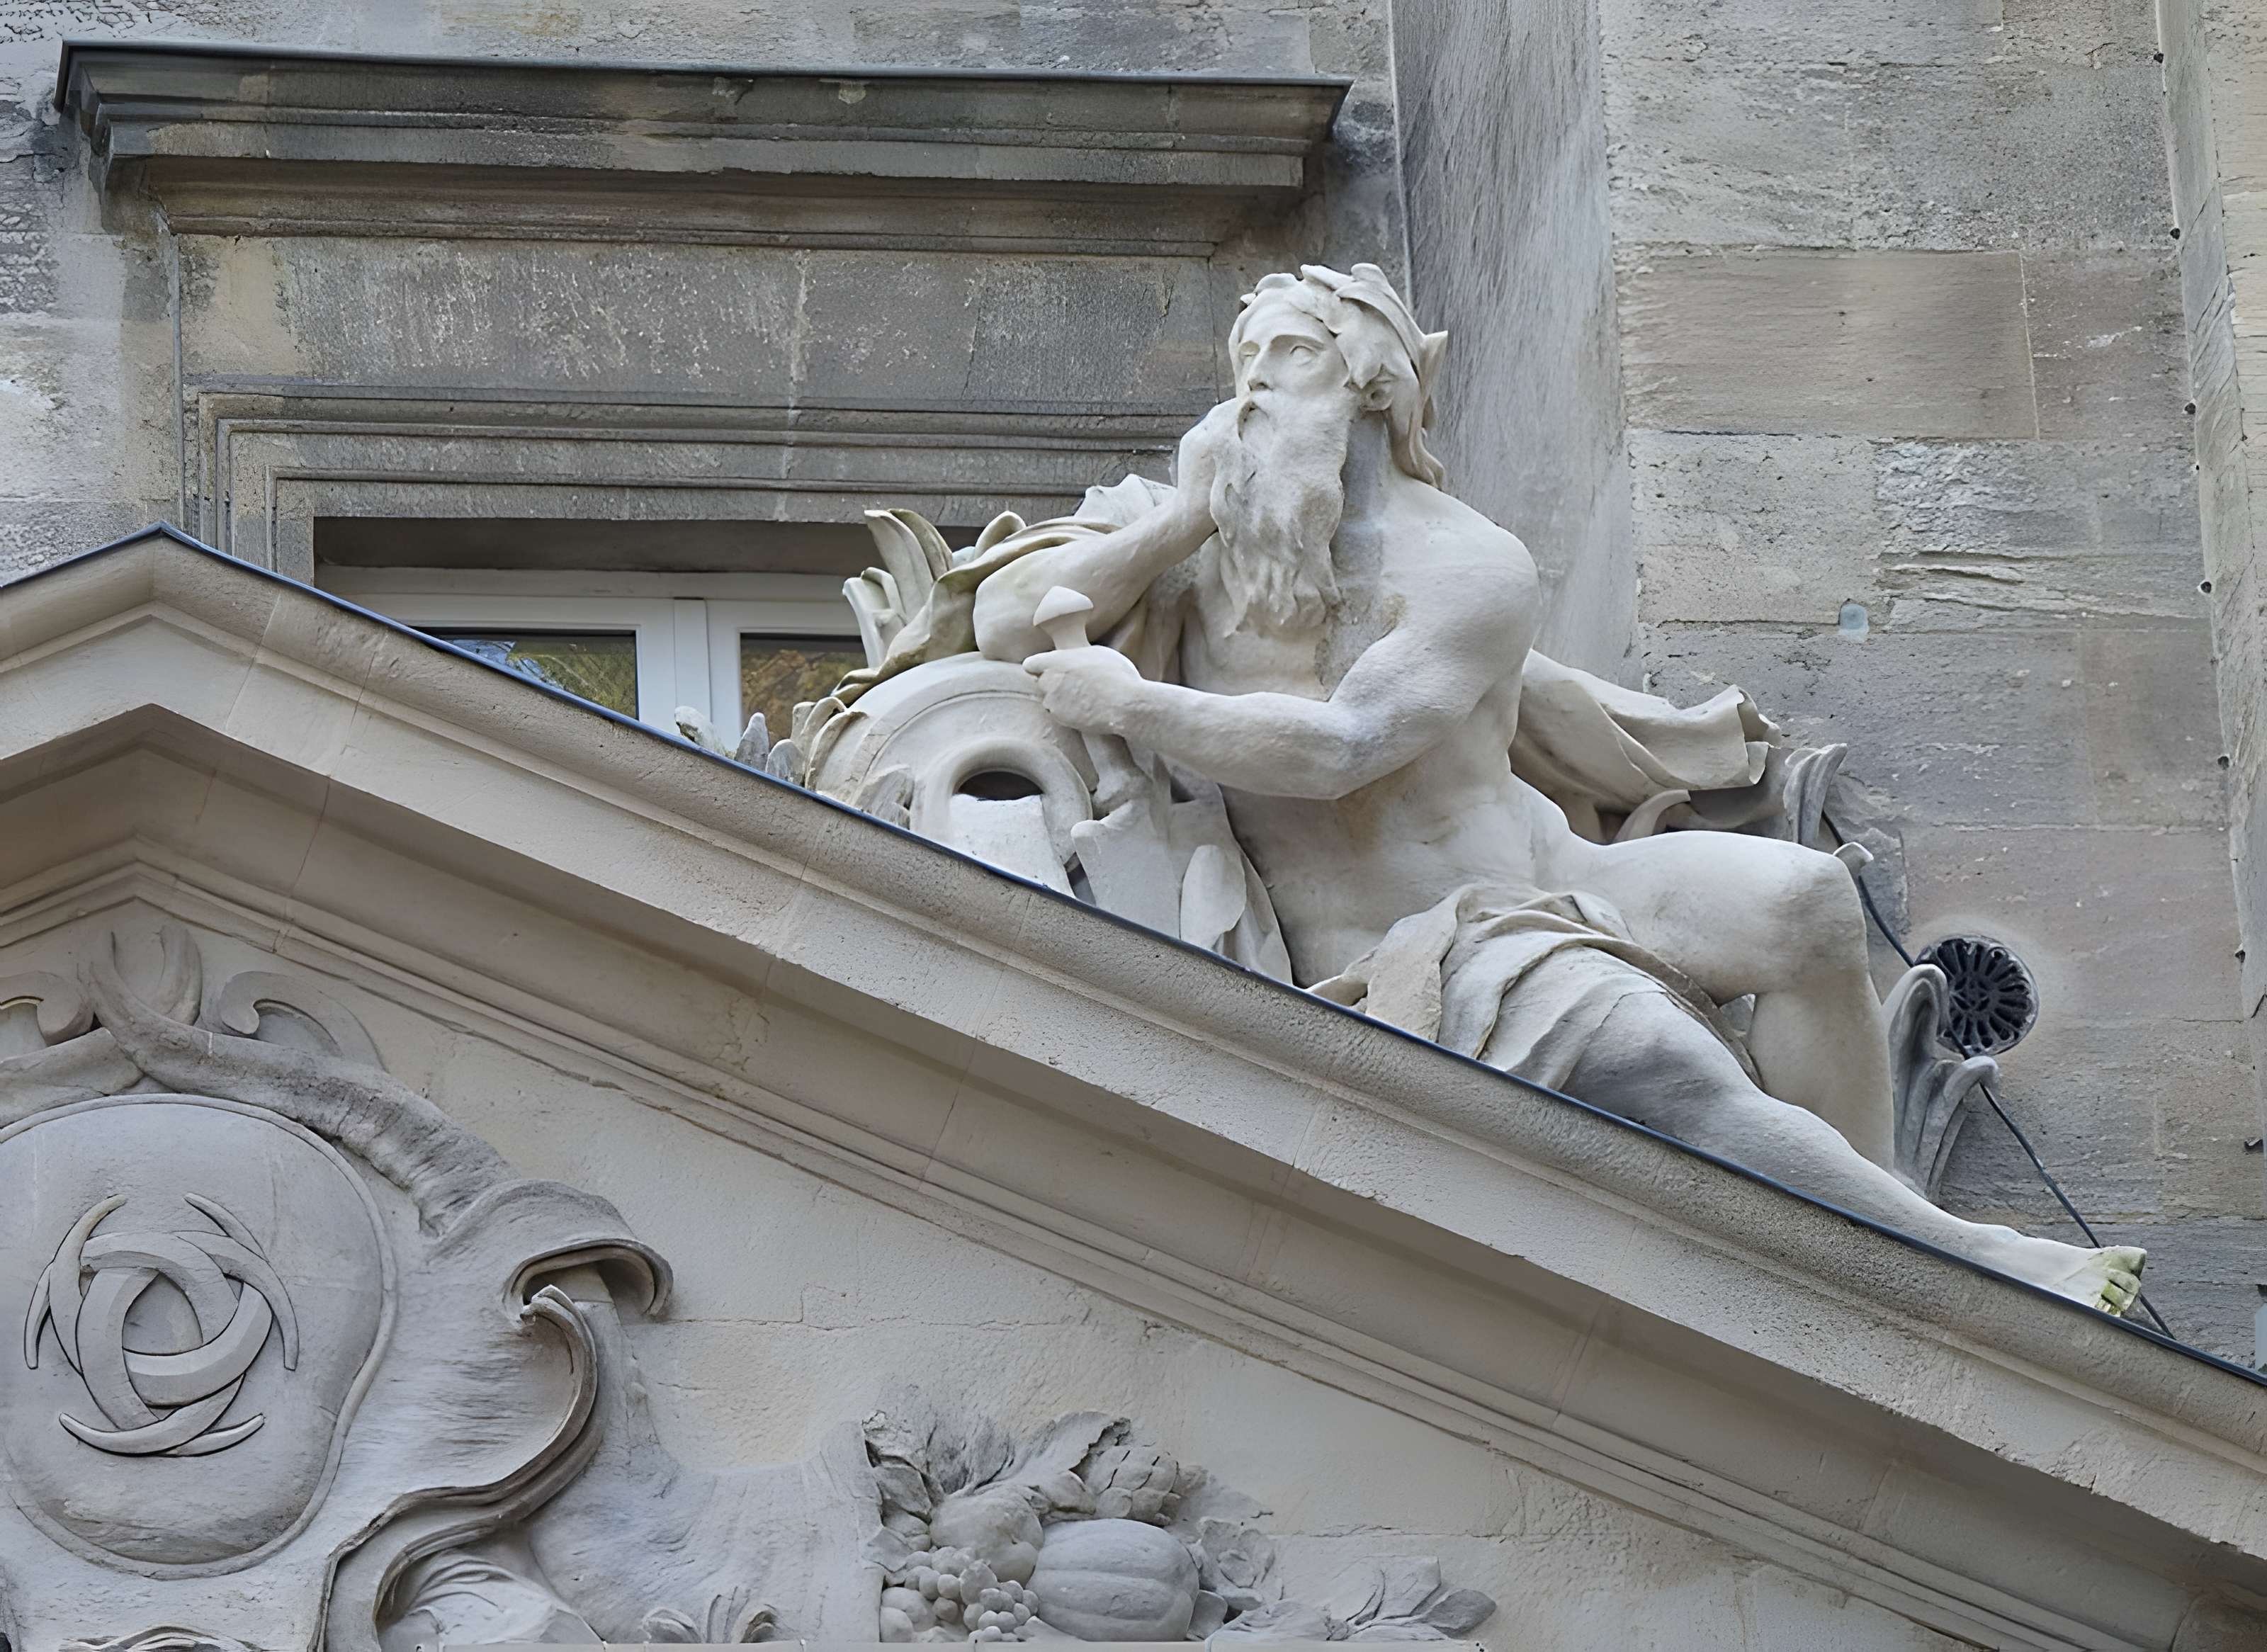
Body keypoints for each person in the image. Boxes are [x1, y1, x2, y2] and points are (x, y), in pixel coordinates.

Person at [968, 263, 2142, 1314]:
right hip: (1407, 944)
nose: (1255, 387)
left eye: (1292, 352)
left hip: (1545, 883)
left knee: (1807, 904)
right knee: (1664, 1063)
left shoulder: (1467, 562)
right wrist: (1174, 521)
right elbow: (1005, 617)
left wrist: (1133, 705)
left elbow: (1344, 747)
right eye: (1244, 364)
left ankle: (1875, 1222)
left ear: (1373, 380)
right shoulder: (1197, 542)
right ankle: (1960, 1265)